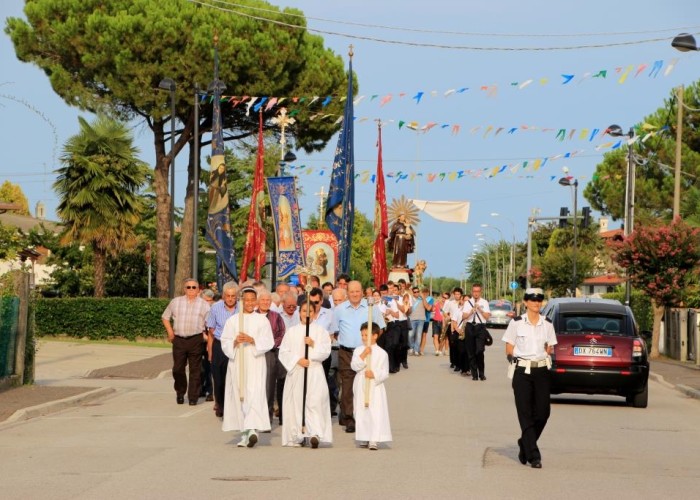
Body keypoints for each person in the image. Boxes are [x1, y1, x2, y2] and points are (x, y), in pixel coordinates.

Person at [502, 288, 557, 469]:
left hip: (541, 371)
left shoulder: (547, 324)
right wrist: (512, 358)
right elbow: (509, 347)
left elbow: (550, 347)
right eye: (532, 300)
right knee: (525, 412)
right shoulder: (516, 323)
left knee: (543, 413)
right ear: (525, 302)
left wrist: (546, 355)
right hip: (522, 371)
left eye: (539, 300)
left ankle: (524, 442)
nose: (536, 303)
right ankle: (533, 455)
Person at [220, 287, 274, 448]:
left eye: (252, 300)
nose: (249, 303)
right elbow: (225, 341)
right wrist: (234, 342)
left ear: (256, 301)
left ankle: (252, 429)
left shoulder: (262, 320)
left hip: (255, 362)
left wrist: (253, 340)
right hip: (238, 362)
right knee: (240, 395)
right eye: (246, 300)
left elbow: (269, 341)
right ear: (241, 301)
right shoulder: (233, 321)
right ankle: (245, 433)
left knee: (254, 394)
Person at [279, 299, 333, 448]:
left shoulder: (320, 331)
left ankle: (314, 433)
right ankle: (297, 434)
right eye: (304, 311)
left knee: (314, 402)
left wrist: (313, 345)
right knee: (297, 403)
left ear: (315, 314)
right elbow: (283, 352)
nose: (307, 314)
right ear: (299, 313)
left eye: (310, 311)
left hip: (314, 371)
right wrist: (297, 360)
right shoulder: (292, 331)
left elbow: (326, 351)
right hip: (297, 371)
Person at [334, 281, 386, 433]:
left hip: (367, 352)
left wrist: (371, 344)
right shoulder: (340, 309)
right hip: (347, 352)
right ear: (347, 293)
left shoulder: (371, 308)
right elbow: (335, 331)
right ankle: (349, 418)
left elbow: (380, 328)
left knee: (365, 384)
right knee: (348, 385)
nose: (355, 294)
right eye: (352, 291)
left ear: (362, 292)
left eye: (357, 291)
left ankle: (365, 415)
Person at [161, 278, 211, 406]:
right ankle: (180, 391)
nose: (191, 289)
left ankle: (193, 397)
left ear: (198, 290)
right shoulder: (175, 302)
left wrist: (208, 338)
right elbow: (165, 317)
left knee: (195, 370)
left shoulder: (204, 304)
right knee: (177, 369)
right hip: (179, 340)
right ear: (184, 289)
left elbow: (210, 323)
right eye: (188, 287)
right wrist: (170, 332)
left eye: (194, 287)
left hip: (196, 339)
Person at [351, 322, 392, 450]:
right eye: (362, 335)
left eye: (366, 335)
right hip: (361, 383)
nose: (363, 338)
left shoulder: (382, 353)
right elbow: (354, 366)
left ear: (375, 336)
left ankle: (374, 438)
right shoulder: (358, 350)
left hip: (375, 386)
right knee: (361, 410)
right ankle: (364, 436)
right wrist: (364, 354)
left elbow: (385, 372)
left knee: (375, 410)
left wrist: (374, 374)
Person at [206, 281, 238, 417]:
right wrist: (210, 351)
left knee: (233, 378)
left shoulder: (242, 308)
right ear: (224, 296)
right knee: (219, 379)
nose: (230, 299)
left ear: (237, 296)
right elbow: (211, 330)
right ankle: (220, 404)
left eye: (233, 296)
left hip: (236, 346)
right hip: (219, 345)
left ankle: (232, 407)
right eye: (228, 296)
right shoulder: (215, 308)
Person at [257, 290, 287, 426]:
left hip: (270, 353)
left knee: (269, 387)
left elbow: (281, 333)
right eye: (263, 300)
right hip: (254, 353)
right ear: (258, 301)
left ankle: (267, 418)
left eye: (268, 300)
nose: (265, 302)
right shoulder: (252, 316)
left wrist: (270, 344)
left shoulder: (276, 316)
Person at [463, 283, 491, 381]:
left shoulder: (484, 302)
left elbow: (487, 317)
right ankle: (474, 374)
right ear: (472, 292)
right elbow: (464, 316)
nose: (476, 293)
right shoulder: (467, 302)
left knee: (479, 351)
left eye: (478, 291)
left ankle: (481, 373)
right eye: (474, 291)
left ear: (480, 292)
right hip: (470, 326)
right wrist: (471, 311)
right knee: (471, 352)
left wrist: (480, 309)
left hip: (480, 327)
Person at [200, 288, 216, 402]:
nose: (208, 303)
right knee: (201, 368)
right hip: (200, 342)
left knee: (210, 368)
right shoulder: (198, 310)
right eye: (206, 300)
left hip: (211, 342)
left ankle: (210, 392)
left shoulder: (214, 310)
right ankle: (200, 388)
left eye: (210, 300)